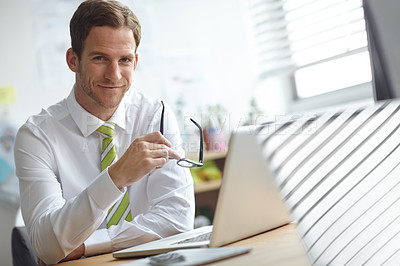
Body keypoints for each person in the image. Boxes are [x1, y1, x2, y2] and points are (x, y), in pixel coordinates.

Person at [13, 0, 195, 264]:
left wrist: (84, 245)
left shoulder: (156, 114)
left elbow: (177, 220)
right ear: (73, 60)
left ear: (135, 61)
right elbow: (47, 247)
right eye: (100, 58)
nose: (114, 74)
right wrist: (116, 176)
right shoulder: (36, 136)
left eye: (125, 60)